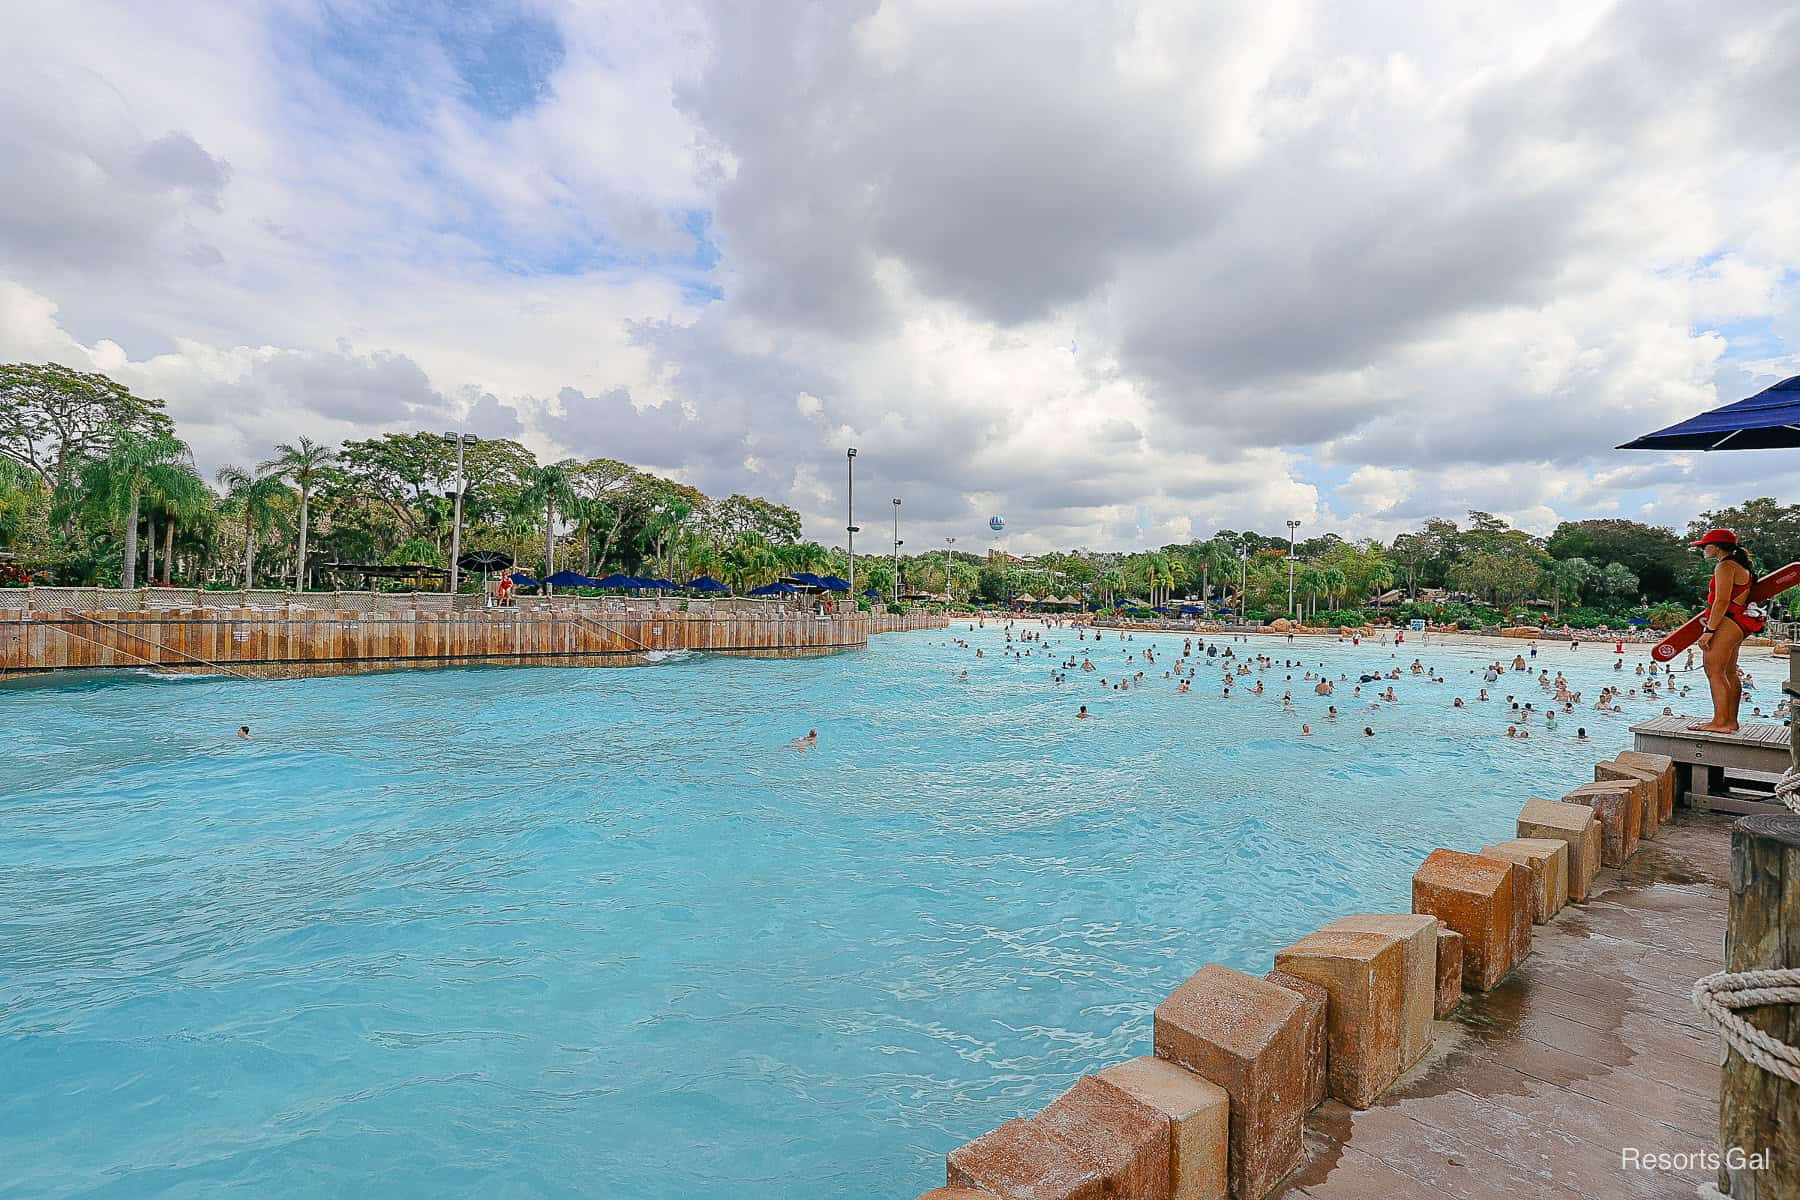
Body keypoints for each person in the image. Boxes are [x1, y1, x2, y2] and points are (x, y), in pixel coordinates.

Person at [1690, 528, 1763, 734]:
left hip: (1727, 621)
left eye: (1705, 545)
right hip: (1738, 622)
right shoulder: (1739, 565)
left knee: (1713, 670)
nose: (1703, 549)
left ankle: (1720, 722)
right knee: (1729, 672)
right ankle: (1730, 721)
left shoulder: (1725, 566)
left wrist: (1709, 630)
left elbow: (1721, 601)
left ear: (1718, 547)